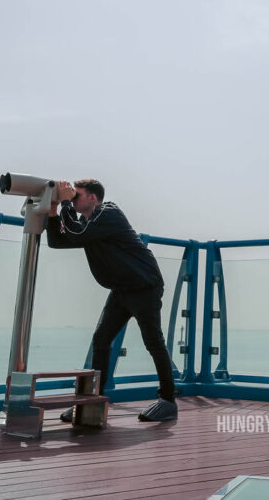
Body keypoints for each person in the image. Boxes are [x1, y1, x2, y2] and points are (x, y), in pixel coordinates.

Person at [45, 178, 177, 422]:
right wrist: (53, 211)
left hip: (144, 286)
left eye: (77, 196)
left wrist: (64, 202)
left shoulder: (109, 213)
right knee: (101, 339)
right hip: (121, 289)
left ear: (93, 198)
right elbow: (57, 241)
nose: (73, 200)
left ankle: (168, 400)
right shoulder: (87, 224)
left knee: (153, 341)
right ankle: (93, 400)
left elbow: (76, 233)